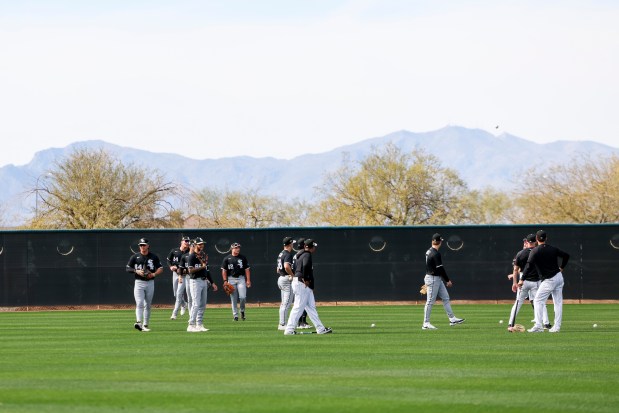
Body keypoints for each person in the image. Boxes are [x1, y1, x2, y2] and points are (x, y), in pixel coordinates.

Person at [524, 230, 570, 333]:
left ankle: (539, 326)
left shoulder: (535, 251)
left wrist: (522, 279)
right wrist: (561, 267)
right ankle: (556, 327)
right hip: (559, 277)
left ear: (536, 239)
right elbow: (566, 256)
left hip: (549, 280)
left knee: (537, 301)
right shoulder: (553, 249)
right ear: (546, 238)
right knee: (557, 303)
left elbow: (528, 266)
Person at [284, 239, 332, 335]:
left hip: (300, 282)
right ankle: (289, 330)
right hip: (302, 283)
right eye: (314, 246)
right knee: (298, 307)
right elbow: (305, 265)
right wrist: (306, 279)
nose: (314, 248)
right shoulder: (307, 254)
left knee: (311, 307)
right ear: (311, 247)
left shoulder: (300, 254)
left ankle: (320, 329)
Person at [506, 234, 551, 332]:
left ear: (527, 242)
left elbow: (515, 270)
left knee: (518, 303)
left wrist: (514, 283)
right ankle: (546, 324)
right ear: (535, 241)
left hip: (523, 282)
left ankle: (510, 324)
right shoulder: (539, 253)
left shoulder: (520, 253)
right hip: (536, 282)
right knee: (540, 303)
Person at [422, 233, 465, 330]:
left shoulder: (429, 251)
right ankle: (425, 323)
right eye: (440, 241)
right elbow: (440, 268)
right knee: (430, 301)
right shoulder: (436, 253)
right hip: (433, 278)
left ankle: (452, 318)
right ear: (439, 242)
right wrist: (448, 280)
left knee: (445, 297)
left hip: (434, 277)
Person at [125, 237, 164, 332]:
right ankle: (139, 322)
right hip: (139, 282)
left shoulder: (154, 257)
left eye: (144, 245)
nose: (142, 247)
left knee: (148, 304)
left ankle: (145, 324)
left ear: (148, 246)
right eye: (140, 245)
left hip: (150, 282)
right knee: (139, 303)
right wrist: (136, 271)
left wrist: (154, 274)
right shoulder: (135, 257)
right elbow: (127, 268)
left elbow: (161, 268)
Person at [187, 237, 218, 332]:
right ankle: (191, 325)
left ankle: (199, 324)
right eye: (199, 244)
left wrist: (212, 282)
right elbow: (190, 270)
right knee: (196, 304)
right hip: (195, 281)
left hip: (204, 281)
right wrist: (202, 267)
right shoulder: (192, 256)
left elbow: (207, 270)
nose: (201, 245)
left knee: (203, 305)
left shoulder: (203, 255)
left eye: (202, 244)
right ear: (195, 245)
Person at [221, 242, 251, 321]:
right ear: (232, 249)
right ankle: (235, 315)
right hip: (231, 279)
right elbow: (224, 271)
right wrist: (225, 281)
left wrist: (248, 280)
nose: (238, 249)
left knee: (243, 297)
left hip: (241, 279)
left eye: (238, 247)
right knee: (233, 299)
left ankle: (242, 311)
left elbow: (247, 269)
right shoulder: (227, 258)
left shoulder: (243, 258)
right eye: (236, 247)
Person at [168, 236, 191, 320]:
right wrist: (171, 266)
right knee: (175, 294)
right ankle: (184, 304)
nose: (187, 242)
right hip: (175, 274)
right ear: (181, 242)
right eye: (186, 241)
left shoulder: (190, 252)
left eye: (188, 241)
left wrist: (186, 270)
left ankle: (174, 314)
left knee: (178, 294)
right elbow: (168, 260)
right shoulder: (174, 251)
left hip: (185, 276)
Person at [276, 236, 295, 330]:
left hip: (281, 278)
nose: (293, 245)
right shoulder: (288, 254)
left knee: (284, 303)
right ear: (290, 244)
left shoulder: (281, 253)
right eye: (292, 243)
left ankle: (282, 323)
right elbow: (286, 266)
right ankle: (282, 324)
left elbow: (277, 269)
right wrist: (292, 275)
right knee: (286, 304)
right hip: (286, 280)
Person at [173, 239, 195, 320]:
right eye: (192, 245)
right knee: (177, 294)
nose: (191, 246)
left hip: (190, 277)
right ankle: (179, 308)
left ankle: (189, 314)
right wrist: (179, 276)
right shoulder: (183, 255)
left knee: (190, 296)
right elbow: (181, 268)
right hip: (180, 275)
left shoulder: (196, 256)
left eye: (192, 245)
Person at [292, 238, 311, 329]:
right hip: (301, 280)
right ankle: (300, 322)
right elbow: (304, 267)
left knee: (300, 303)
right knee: (301, 304)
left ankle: (299, 322)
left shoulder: (297, 255)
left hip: (296, 279)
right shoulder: (304, 255)